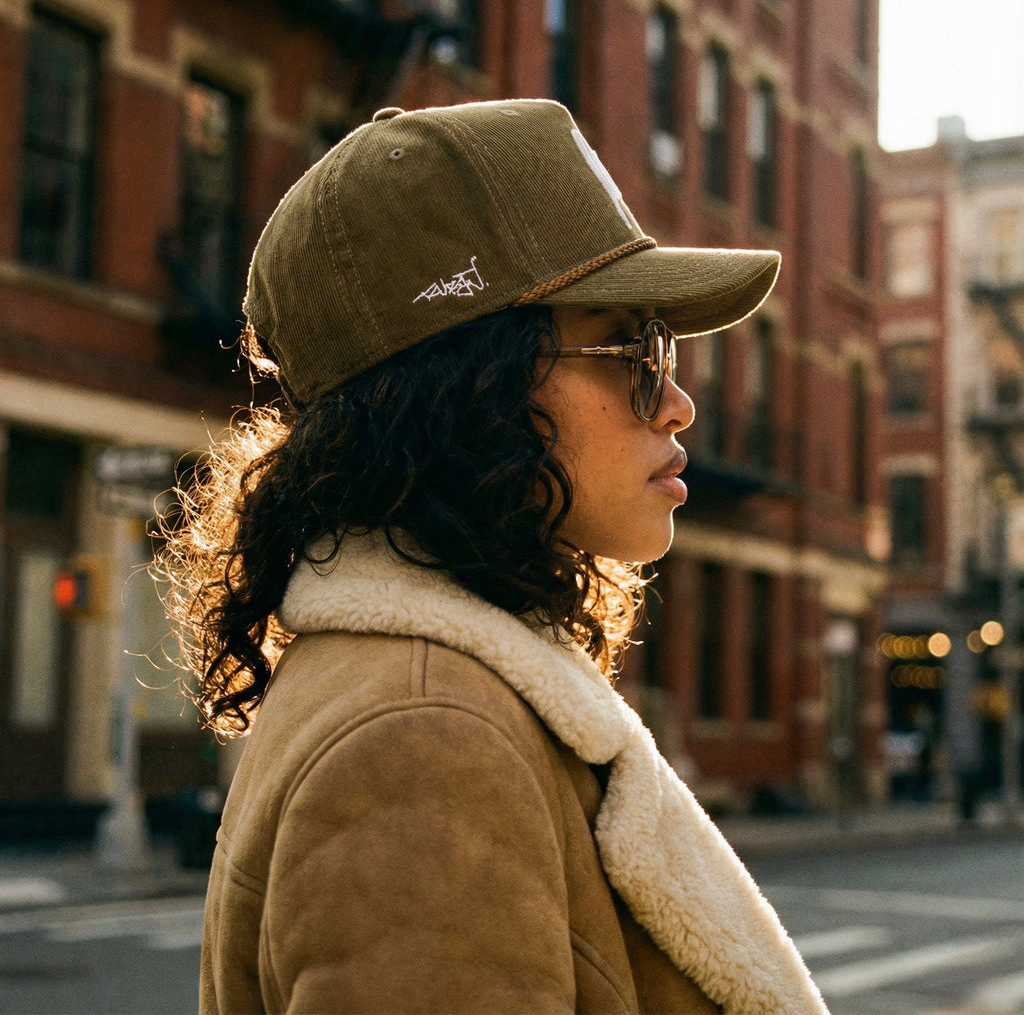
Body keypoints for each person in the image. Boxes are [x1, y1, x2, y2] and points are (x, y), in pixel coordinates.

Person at [156, 99, 829, 1015]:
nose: (678, 404)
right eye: (633, 348)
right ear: (470, 385)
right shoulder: (422, 741)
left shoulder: (434, 693)